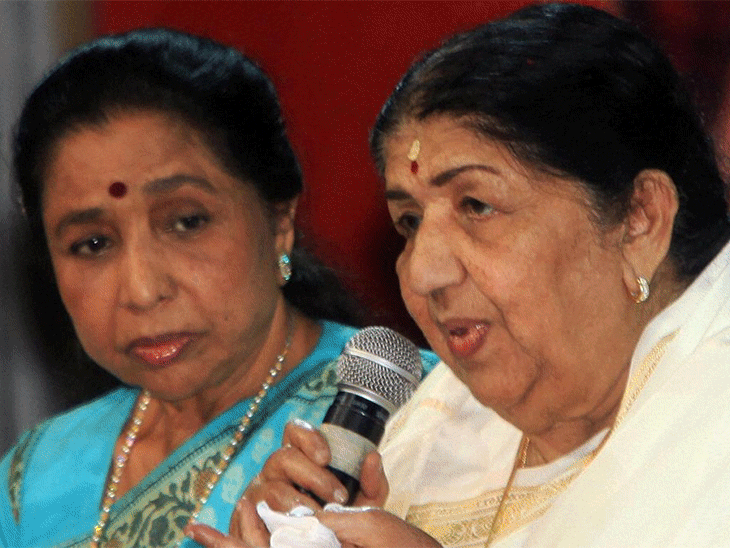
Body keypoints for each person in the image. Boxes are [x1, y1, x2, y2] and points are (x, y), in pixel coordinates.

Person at [186, 3, 730, 548]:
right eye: (410, 222)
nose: (422, 273)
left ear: (639, 219)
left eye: (477, 205)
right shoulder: (430, 436)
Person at [0, 27, 379, 548]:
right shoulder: (34, 481)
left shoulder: (408, 425)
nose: (141, 290)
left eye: (186, 222)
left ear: (279, 221)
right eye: (92, 243)